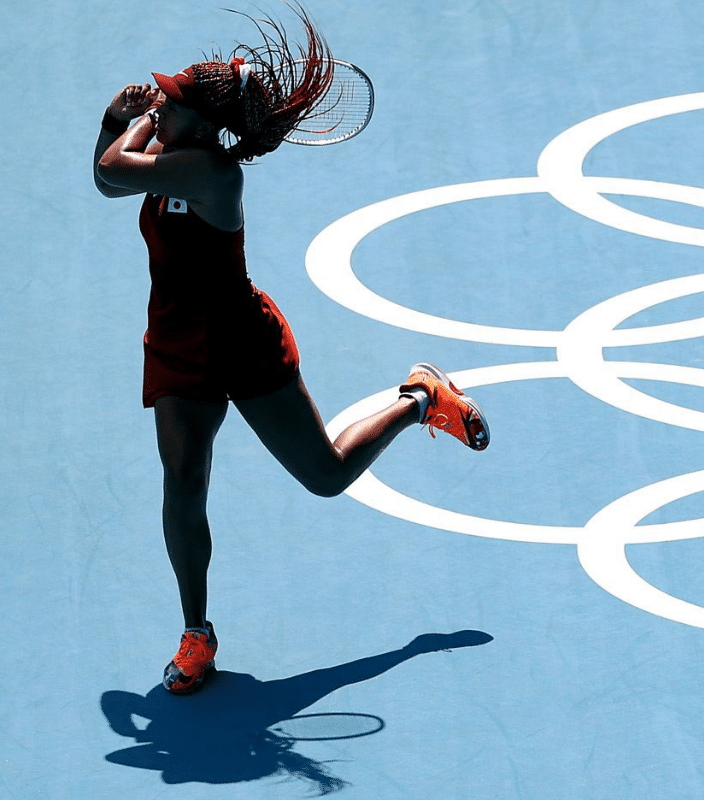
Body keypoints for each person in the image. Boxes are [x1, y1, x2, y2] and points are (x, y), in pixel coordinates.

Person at [92, 6, 490, 695]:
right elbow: (109, 177)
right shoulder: (167, 152)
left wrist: (129, 119)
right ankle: (197, 635)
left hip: (241, 343)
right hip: (180, 344)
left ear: (198, 123)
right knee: (182, 483)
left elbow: (110, 165)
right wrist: (121, 118)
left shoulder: (213, 174)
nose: (158, 98)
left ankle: (421, 396)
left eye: (171, 97)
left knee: (326, 477)